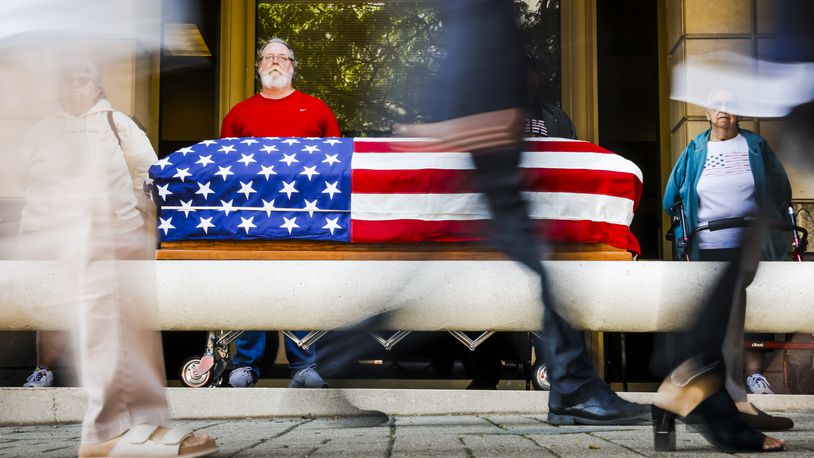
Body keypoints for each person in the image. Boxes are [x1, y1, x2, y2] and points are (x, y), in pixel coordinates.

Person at [394, 0, 649, 425]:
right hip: (491, 174)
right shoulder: (477, 14)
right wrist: (460, 128)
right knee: (528, 272)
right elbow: (468, 89)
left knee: (537, 272)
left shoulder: (486, 22)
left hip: (502, 177)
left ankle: (572, 387)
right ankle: (574, 387)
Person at [17, 60, 216, 456]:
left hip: (113, 232)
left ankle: (131, 427)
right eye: (67, 80)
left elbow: (147, 171)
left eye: (82, 80)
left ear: (96, 87)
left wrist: (138, 220)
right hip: (55, 234)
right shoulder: (43, 128)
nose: (74, 87)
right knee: (67, 313)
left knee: (125, 320)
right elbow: (23, 173)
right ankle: (85, 405)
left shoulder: (116, 122)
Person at [656, 91, 791, 451]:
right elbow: (672, 200)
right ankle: (729, 398)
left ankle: (706, 395)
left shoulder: (757, 146)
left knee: (727, 313)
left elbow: (780, 191)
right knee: (721, 317)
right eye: (717, 105)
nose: (724, 112)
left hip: (746, 246)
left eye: (731, 105)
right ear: (706, 111)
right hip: (704, 247)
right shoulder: (695, 150)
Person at [220, 37, 340, 389]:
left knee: (300, 288)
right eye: (268, 57)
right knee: (252, 288)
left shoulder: (316, 110)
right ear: (258, 68)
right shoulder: (240, 113)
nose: (275, 62)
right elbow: (224, 168)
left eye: (282, 57)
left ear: (292, 66)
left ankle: (304, 366)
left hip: (305, 217)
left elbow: (336, 167)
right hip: (251, 217)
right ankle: (246, 365)